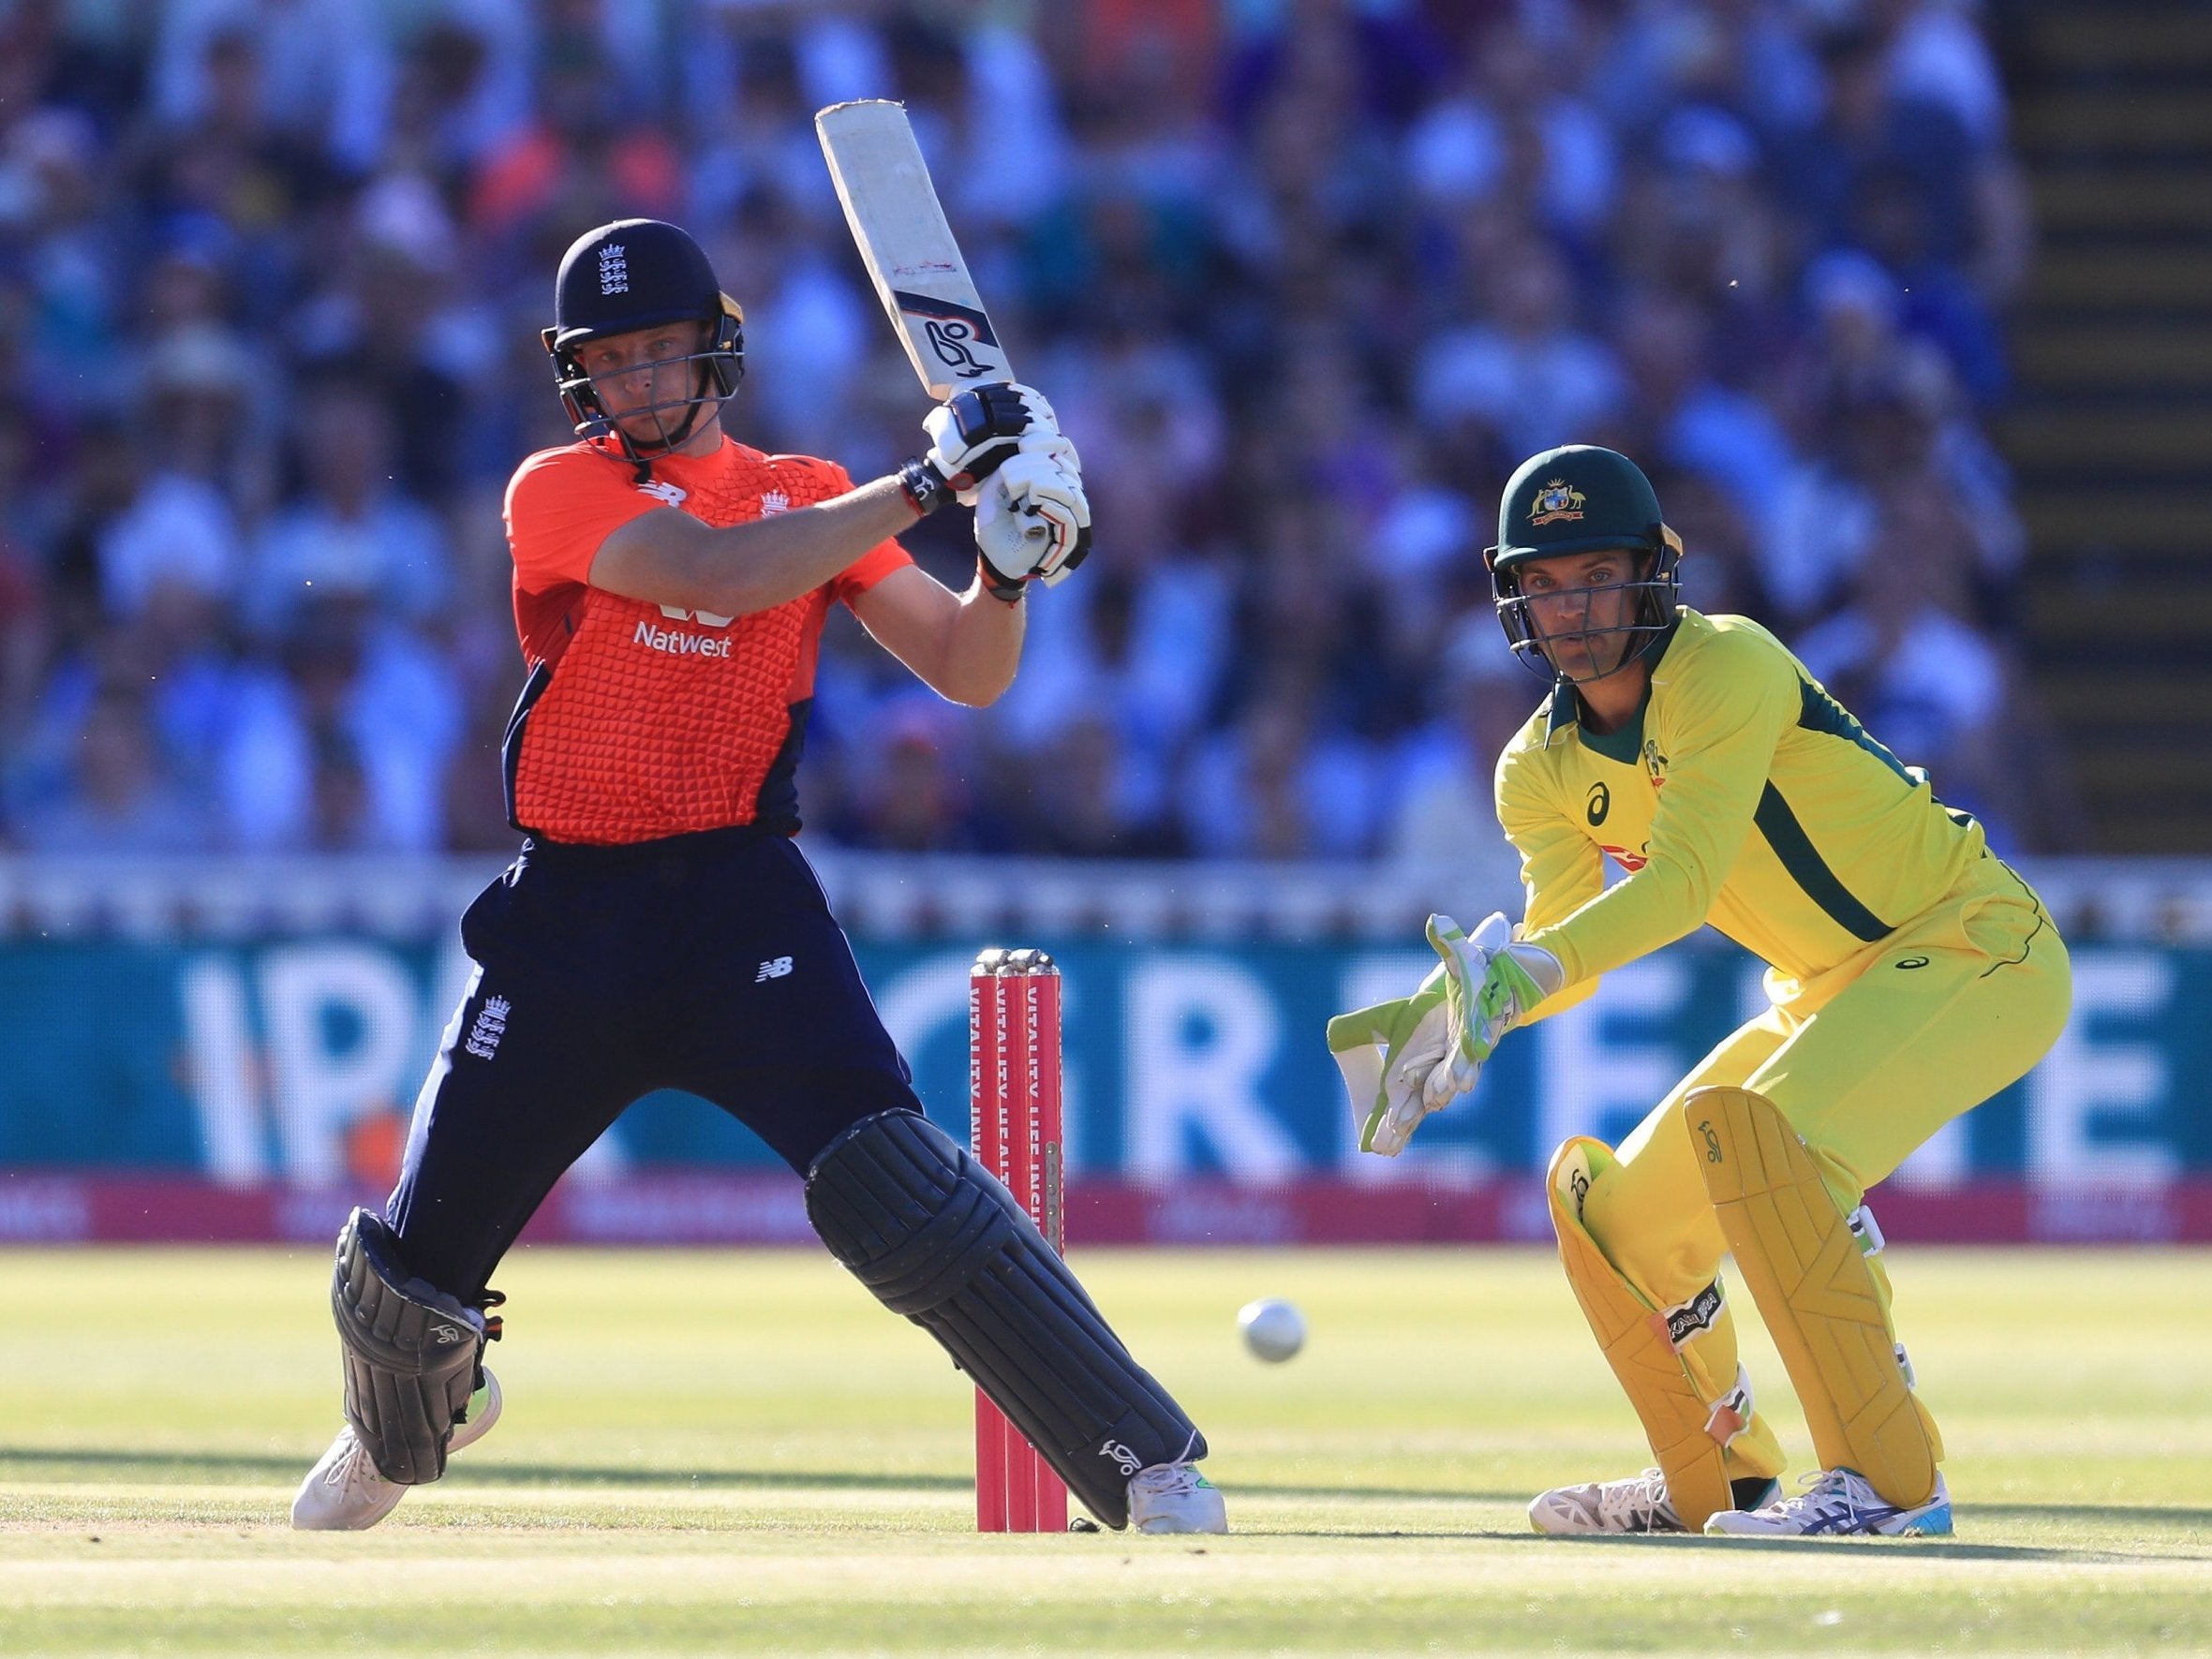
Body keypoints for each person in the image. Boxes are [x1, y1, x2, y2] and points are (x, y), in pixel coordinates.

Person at [291, 218, 1225, 1536]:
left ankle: (1144, 1458)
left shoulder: (811, 494)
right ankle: (405, 1425)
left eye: (659, 350)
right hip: (569, 913)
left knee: (897, 1187)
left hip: (739, 903)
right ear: (575, 376)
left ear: (714, 347)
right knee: (408, 1279)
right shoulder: (555, 490)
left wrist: (1006, 572)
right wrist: (928, 481)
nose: (636, 380)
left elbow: (966, 670)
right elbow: (715, 580)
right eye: (608, 359)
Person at [1329, 445, 2069, 1538]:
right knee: (1621, 1217)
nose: (1570, 609)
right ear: (1510, 595)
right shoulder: (1534, 770)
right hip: (1826, 986)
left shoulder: (1727, 665)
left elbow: (1677, 887)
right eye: (1544, 583)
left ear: (1651, 576)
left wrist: (1522, 977)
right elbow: (1561, 947)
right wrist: (1461, 1016)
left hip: (1973, 943)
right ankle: (1720, 1478)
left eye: (1594, 577)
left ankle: (1889, 1484)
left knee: (1769, 1138)